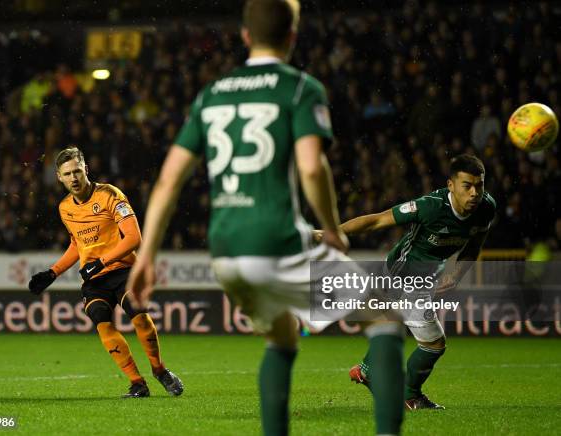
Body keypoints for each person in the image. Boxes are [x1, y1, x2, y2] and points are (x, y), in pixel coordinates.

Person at [127, 1, 404, 434]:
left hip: (225, 251)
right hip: (275, 237)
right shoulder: (299, 88)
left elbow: (167, 183)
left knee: (281, 338)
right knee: (383, 318)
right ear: (293, 35)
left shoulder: (212, 94)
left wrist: (146, 258)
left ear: (244, 36)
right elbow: (313, 167)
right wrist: (331, 228)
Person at [316, 154, 496, 410]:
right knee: (434, 343)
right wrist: (329, 233)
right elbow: (377, 220)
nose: (475, 193)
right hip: (405, 273)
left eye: (479, 185)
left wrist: (456, 275)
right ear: (451, 185)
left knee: (395, 324)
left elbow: (473, 246)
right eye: (467, 185)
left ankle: (367, 370)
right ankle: (409, 395)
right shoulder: (430, 207)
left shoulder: (487, 208)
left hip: (430, 274)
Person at [28, 146, 183, 398]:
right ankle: (137, 384)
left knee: (139, 316)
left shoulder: (110, 195)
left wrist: (101, 261)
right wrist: (53, 272)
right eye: (67, 174)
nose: (74, 178)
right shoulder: (65, 208)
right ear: (59, 177)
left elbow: (134, 238)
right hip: (94, 279)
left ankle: (160, 370)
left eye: (77, 171)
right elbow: (77, 244)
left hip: (123, 269)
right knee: (102, 322)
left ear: (86, 169)